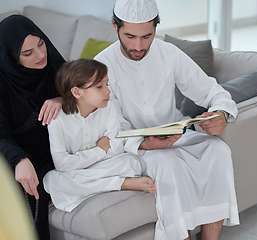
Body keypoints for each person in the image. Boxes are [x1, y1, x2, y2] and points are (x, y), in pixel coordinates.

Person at [95, 0, 240, 239]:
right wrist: (146, 143)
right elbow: (110, 129)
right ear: (115, 26)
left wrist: (221, 114)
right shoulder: (101, 66)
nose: (138, 45)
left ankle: (210, 236)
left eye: (147, 36)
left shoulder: (169, 53)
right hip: (135, 147)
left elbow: (213, 92)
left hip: (176, 135)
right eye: (130, 36)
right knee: (168, 164)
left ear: (156, 29)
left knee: (219, 151)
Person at [43, 58, 156, 212]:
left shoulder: (108, 108)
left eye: (107, 84)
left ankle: (77, 192)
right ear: (77, 92)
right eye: (99, 86)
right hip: (79, 171)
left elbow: (116, 150)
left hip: (96, 169)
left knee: (131, 161)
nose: (108, 91)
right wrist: (100, 150)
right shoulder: (56, 119)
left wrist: (83, 160)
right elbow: (62, 165)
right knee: (51, 180)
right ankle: (122, 183)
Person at [0, 15, 66, 240]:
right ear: (10, 57)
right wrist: (18, 159)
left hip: (57, 153)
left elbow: (86, 94)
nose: (40, 55)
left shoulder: (56, 69)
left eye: (41, 44)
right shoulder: (3, 84)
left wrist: (62, 98)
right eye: (27, 53)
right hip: (19, 157)